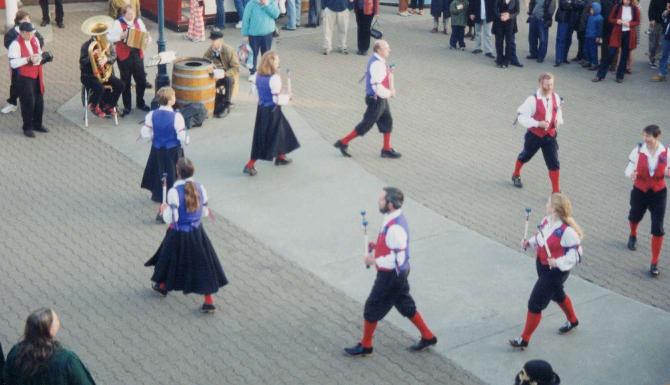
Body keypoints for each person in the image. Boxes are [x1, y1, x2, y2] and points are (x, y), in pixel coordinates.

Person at [344, 187, 438, 356]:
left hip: (391, 275)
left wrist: (373, 260)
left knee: (372, 307)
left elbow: (396, 260)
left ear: (391, 204)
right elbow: (389, 246)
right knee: (404, 303)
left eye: (382, 200)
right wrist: (377, 246)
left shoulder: (396, 229)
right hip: (397, 274)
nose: (378, 202)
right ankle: (428, 336)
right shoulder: (391, 218)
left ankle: (366, 345)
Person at [145, 157, 228, 313]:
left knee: (168, 257)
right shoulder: (201, 188)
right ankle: (208, 300)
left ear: (178, 172)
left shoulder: (174, 192)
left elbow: (172, 218)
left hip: (178, 234)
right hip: (197, 232)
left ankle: (163, 285)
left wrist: (164, 210)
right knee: (203, 264)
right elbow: (203, 212)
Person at [510, 193, 583, 349]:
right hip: (542, 266)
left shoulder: (567, 232)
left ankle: (524, 339)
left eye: (548, 203)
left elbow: (576, 254)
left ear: (555, 209)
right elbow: (539, 238)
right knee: (557, 294)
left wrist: (557, 262)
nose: (546, 205)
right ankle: (573, 320)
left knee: (535, 303)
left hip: (556, 272)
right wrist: (528, 243)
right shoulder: (546, 221)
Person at [334, 40, 401, 159]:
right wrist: (390, 92)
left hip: (380, 99)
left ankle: (386, 149)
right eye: (386, 48)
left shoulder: (378, 61)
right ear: (379, 50)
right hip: (376, 99)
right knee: (366, 124)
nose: (389, 50)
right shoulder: (377, 64)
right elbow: (376, 85)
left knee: (387, 120)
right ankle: (343, 142)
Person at [3, 308, 96, 384]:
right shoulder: (67, 360)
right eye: (56, 320)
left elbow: (7, 380)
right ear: (50, 330)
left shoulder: (15, 353)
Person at [243, 52, 300, 176]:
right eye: (277, 60)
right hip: (272, 111)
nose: (278, 62)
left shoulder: (257, 75)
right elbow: (277, 100)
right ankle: (250, 164)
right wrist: (288, 97)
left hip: (262, 109)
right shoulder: (274, 78)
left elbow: (256, 93)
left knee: (282, 131)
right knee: (266, 138)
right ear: (271, 62)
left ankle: (280, 156)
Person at [625, 125, 669, 277]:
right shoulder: (638, 150)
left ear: (657, 137)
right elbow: (629, 167)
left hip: (658, 193)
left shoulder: (666, 153)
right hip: (640, 190)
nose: (645, 139)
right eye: (644, 136)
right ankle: (633, 234)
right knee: (634, 216)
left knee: (658, 227)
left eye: (648, 137)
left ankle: (654, 262)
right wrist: (631, 174)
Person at [140, 87, 187, 221]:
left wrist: (153, 136)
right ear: (170, 100)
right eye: (174, 96)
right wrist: (186, 140)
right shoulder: (177, 117)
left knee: (158, 172)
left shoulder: (151, 115)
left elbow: (145, 133)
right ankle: (173, 200)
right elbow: (182, 135)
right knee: (174, 174)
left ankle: (158, 195)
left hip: (157, 149)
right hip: (172, 151)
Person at [511, 73, 563, 192]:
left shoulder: (556, 97)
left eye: (551, 85)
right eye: (546, 85)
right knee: (525, 156)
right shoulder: (532, 100)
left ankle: (556, 191)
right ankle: (516, 174)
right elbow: (521, 117)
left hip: (550, 136)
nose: (549, 88)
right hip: (535, 136)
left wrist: (557, 121)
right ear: (540, 84)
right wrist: (538, 124)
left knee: (554, 163)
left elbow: (558, 112)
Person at [108, 5, 151, 117]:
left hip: (137, 54)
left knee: (141, 80)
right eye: (129, 14)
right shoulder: (118, 23)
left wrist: (147, 40)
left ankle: (140, 103)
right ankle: (127, 106)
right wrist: (121, 36)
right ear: (124, 14)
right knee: (125, 81)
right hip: (124, 56)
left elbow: (147, 35)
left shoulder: (139, 22)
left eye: (133, 13)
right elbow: (109, 38)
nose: (132, 15)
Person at [8, 22, 48, 139]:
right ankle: (27, 127)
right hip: (24, 77)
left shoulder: (34, 40)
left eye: (32, 32)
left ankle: (37, 124)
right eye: (29, 33)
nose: (31, 35)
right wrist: (28, 59)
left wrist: (43, 57)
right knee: (28, 102)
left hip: (36, 74)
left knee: (39, 100)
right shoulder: (15, 45)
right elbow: (13, 63)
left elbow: (39, 53)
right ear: (23, 33)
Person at [2, 11, 45, 115]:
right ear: (18, 21)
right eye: (24, 19)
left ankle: (31, 102)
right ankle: (12, 103)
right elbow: (8, 44)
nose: (27, 21)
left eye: (28, 19)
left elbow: (40, 40)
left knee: (33, 85)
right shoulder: (13, 32)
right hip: (19, 64)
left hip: (32, 64)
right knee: (15, 83)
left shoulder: (32, 29)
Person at [592, 0, 640, 83]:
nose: (626, 1)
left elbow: (637, 21)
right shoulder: (617, 7)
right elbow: (610, 18)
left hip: (628, 33)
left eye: (628, 0)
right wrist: (617, 21)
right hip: (617, 32)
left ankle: (620, 76)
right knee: (610, 53)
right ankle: (600, 75)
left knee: (624, 55)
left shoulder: (635, 9)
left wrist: (629, 24)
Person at [79, 33, 125, 119]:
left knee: (121, 85)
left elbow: (114, 56)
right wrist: (92, 56)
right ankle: (93, 105)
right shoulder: (86, 46)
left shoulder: (108, 43)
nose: (100, 36)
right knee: (100, 87)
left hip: (104, 73)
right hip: (89, 75)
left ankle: (109, 105)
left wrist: (106, 59)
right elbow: (82, 62)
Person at [204, 30, 240, 117]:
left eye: (214, 41)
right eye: (211, 40)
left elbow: (236, 67)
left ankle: (227, 105)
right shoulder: (211, 49)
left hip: (225, 75)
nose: (212, 43)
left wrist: (225, 74)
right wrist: (211, 66)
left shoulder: (228, 50)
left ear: (220, 41)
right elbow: (204, 59)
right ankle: (216, 101)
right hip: (215, 76)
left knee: (229, 80)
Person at [242, 0, 280, 81]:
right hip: (253, 34)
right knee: (253, 54)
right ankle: (253, 73)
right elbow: (245, 19)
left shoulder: (271, 2)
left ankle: (265, 72)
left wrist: (266, 5)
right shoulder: (251, 4)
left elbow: (276, 14)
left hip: (268, 34)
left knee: (266, 55)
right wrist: (245, 34)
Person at [493, 0, 523, 67]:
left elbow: (517, 11)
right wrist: (500, 15)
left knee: (509, 43)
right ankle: (499, 60)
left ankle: (507, 61)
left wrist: (509, 16)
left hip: (510, 24)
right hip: (499, 22)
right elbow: (494, 8)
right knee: (499, 42)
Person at [650, 2, 670, 81]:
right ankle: (662, 74)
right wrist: (665, 13)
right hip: (666, 35)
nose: (668, 7)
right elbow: (663, 20)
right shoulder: (666, 13)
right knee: (663, 55)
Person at [553, 0, 574, 67]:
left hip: (571, 20)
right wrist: (572, 5)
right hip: (563, 19)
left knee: (568, 40)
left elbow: (579, 5)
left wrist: (571, 3)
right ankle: (558, 59)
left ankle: (564, 57)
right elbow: (563, 5)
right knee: (561, 39)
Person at [583, 2, 603, 69]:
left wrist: (598, 37)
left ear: (596, 9)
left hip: (593, 37)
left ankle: (594, 63)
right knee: (587, 49)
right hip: (588, 35)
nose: (590, 11)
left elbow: (599, 29)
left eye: (592, 9)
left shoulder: (599, 18)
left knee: (593, 51)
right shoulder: (590, 16)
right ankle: (589, 61)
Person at [648, 0, 667, 68]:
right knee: (653, 43)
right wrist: (652, 19)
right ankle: (651, 58)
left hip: (664, 24)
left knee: (660, 43)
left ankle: (655, 60)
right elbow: (651, 8)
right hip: (655, 23)